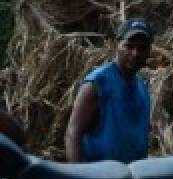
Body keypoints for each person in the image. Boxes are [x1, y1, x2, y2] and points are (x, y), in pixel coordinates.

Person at [64, 18, 153, 163]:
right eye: (129, 46)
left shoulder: (142, 87)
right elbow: (73, 134)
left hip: (132, 178)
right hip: (100, 178)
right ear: (115, 46)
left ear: (149, 51)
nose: (135, 53)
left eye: (142, 48)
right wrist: (78, 178)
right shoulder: (97, 84)